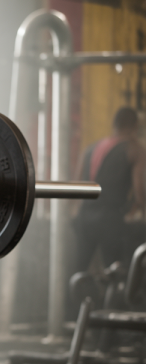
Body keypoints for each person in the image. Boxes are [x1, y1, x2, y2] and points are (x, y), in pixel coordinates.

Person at [73, 106, 146, 273]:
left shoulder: (90, 149)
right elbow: (139, 190)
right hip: (111, 219)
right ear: (135, 126)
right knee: (115, 273)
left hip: (85, 216)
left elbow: (75, 185)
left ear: (114, 124)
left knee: (79, 272)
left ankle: (74, 299)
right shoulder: (135, 149)